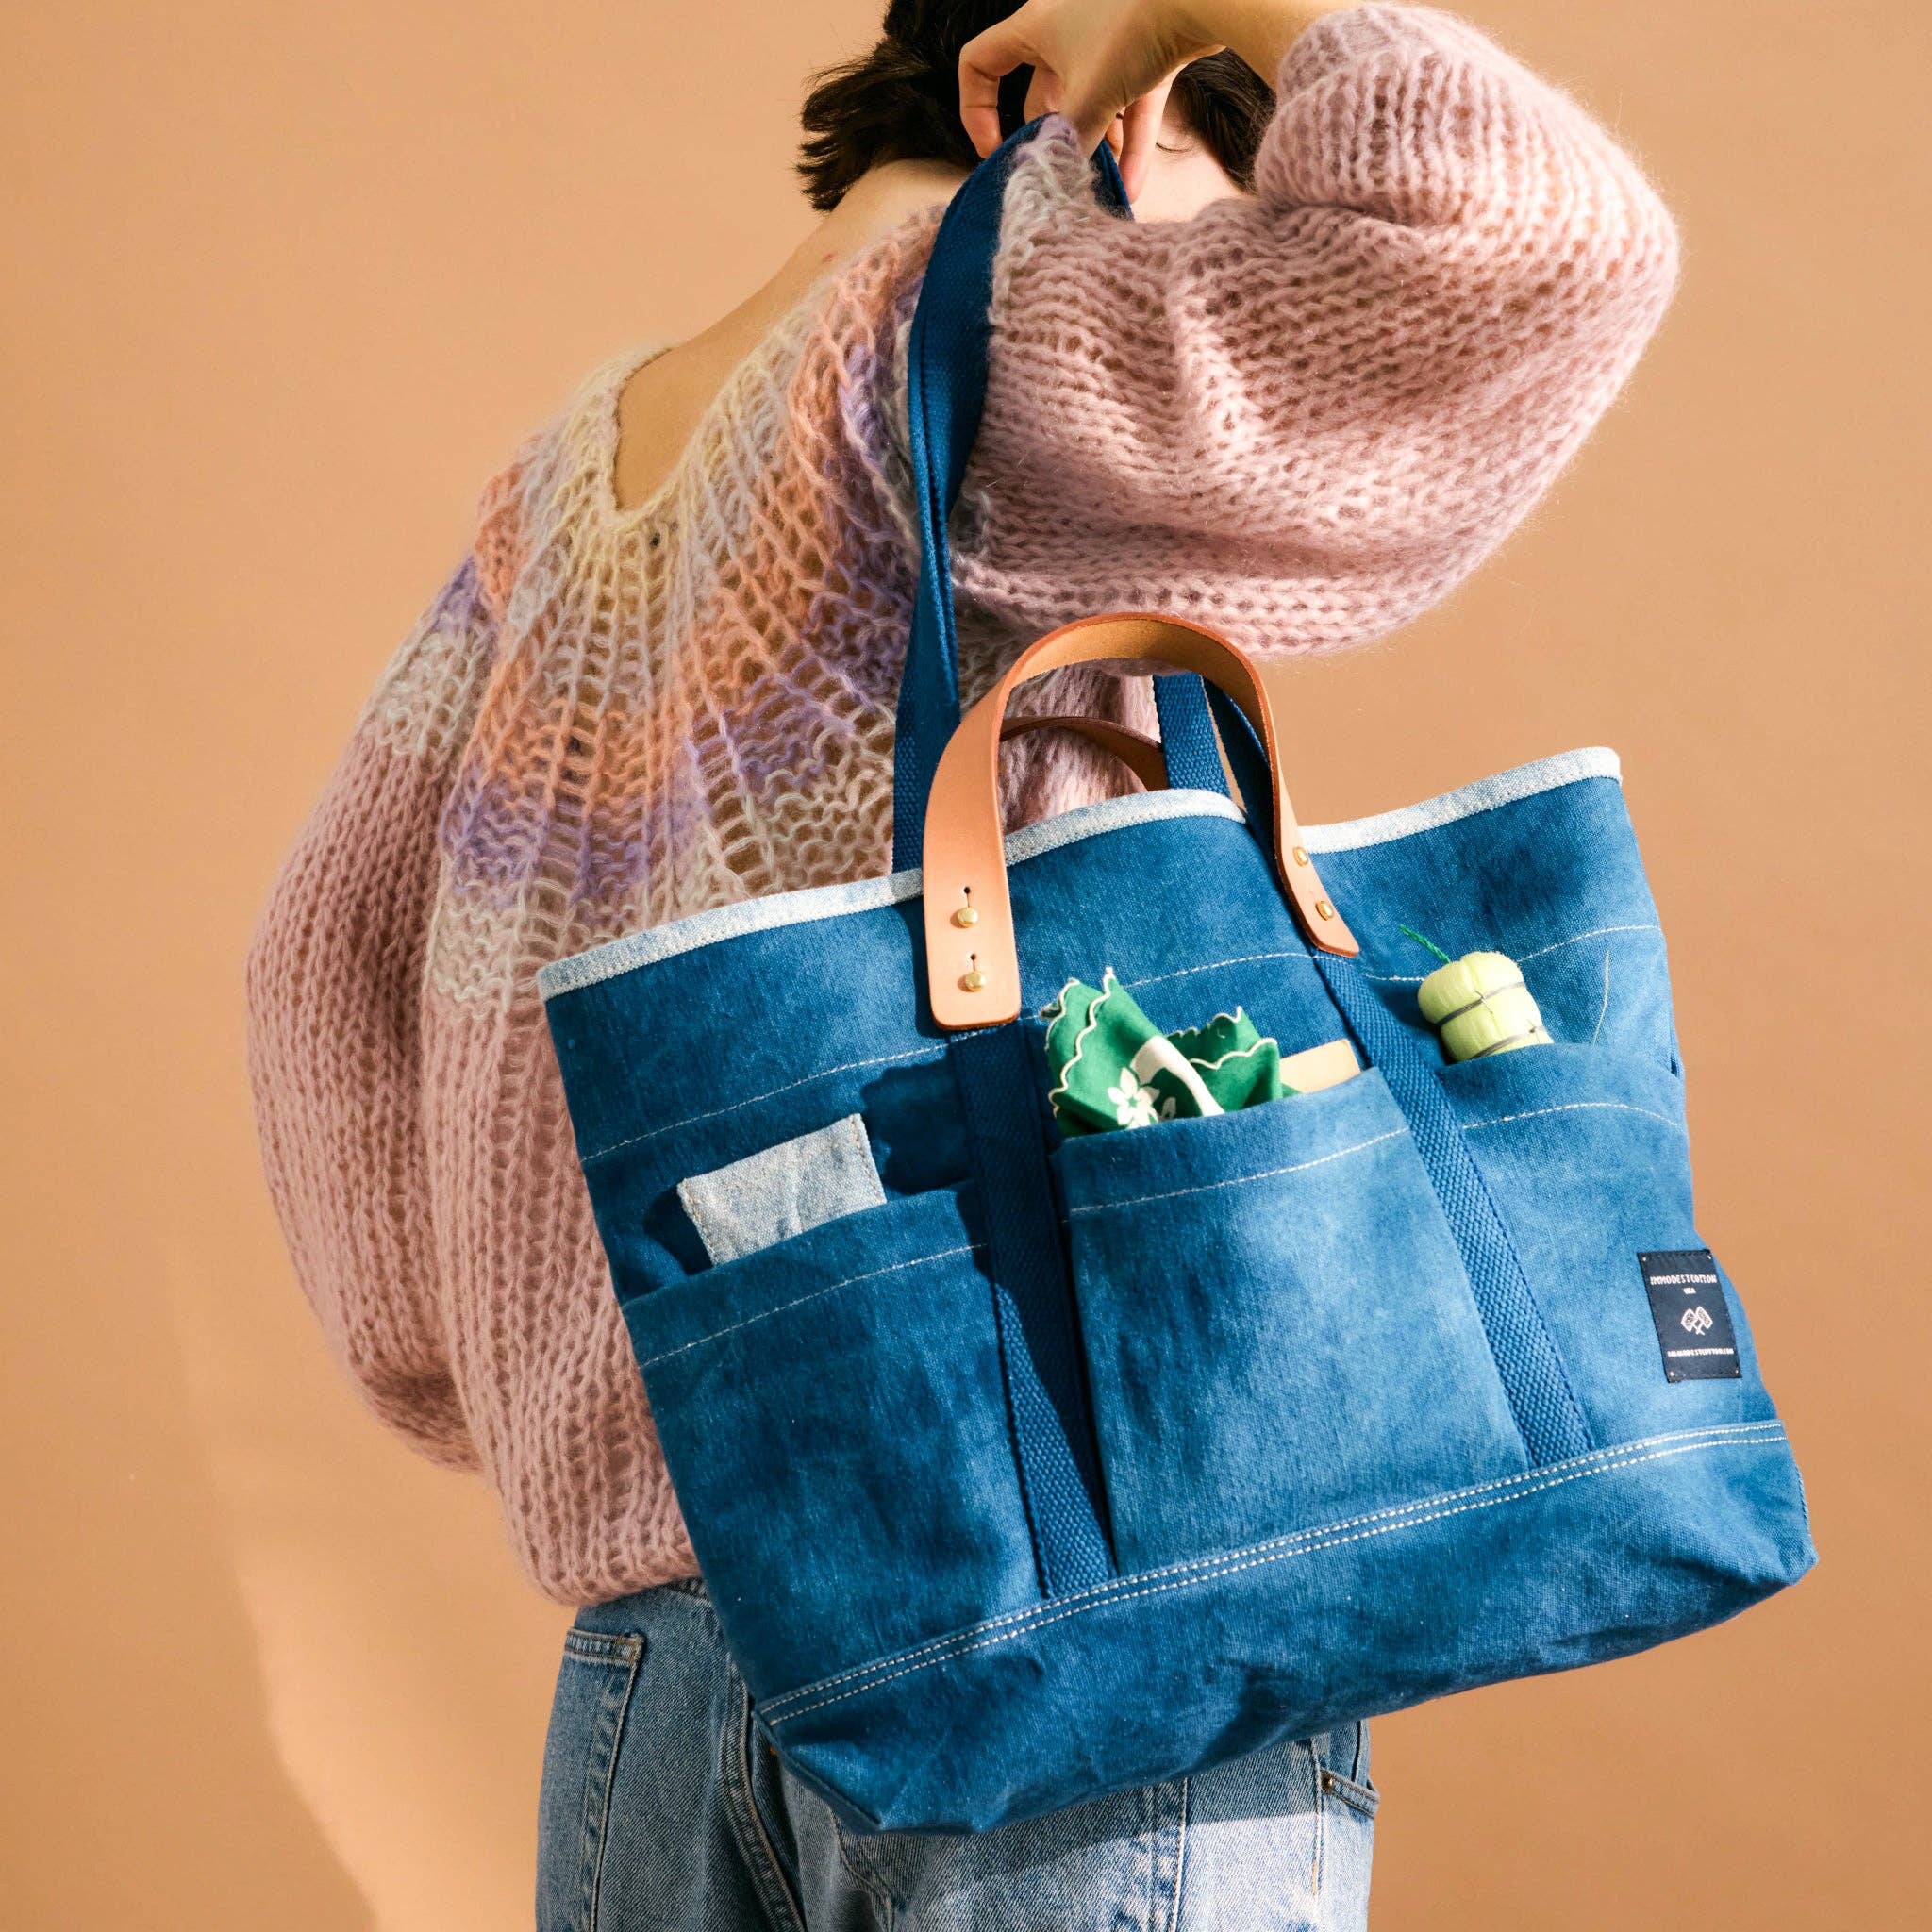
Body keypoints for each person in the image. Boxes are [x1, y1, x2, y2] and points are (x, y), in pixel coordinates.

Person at [244, 2, 1679, 1924]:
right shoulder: (993, 324)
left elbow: (310, 960)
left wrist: (526, 1386)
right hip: (1047, 1630)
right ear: (1095, 103)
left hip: (660, 1674)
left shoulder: (567, 477)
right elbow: (1542, 244)